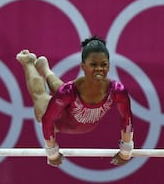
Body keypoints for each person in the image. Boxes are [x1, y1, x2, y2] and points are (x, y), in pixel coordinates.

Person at [16, 36, 134, 167]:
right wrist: (52, 152)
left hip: (72, 107)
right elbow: (47, 120)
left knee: (63, 92)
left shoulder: (117, 90)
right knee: (41, 99)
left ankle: (46, 70)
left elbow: (126, 118)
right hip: (60, 121)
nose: (99, 69)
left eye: (103, 64)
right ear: (83, 66)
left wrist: (126, 150)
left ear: (109, 65)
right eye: (93, 64)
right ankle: (28, 62)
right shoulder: (69, 91)